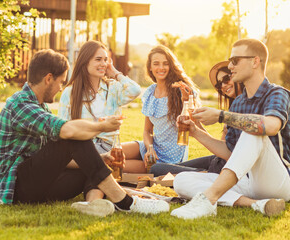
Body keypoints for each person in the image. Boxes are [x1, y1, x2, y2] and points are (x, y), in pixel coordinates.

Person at [0, 49, 169, 217]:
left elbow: (54, 153)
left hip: (36, 186)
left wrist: (99, 157)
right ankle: (125, 202)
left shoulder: (41, 106)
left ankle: (93, 203)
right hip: (14, 187)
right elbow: (67, 132)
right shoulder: (21, 105)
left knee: (87, 163)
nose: (61, 87)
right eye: (60, 82)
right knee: (74, 136)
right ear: (48, 79)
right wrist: (102, 127)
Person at [170, 38, 290, 219]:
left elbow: (271, 126)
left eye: (235, 61)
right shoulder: (239, 103)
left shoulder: (277, 93)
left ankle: (209, 199)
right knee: (181, 181)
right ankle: (256, 204)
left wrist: (221, 116)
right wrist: (196, 132)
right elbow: (229, 153)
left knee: (255, 130)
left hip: (278, 182)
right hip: (248, 181)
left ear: (255, 61)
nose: (231, 66)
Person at [150, 61, 245, 176]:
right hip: (218, 160)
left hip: (224, 168)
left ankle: (204, 175)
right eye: (219, 84)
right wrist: (195, 126)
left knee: (157, 169)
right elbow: (220, 148)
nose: (223, 86)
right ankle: (201, 173)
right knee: (158, 169)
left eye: (226, 79)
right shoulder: (234, 106)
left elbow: (232, 155)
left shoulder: (247, 107)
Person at [121, 45, 200, 173]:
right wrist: (150, 147)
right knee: (114, 154)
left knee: (117, 165)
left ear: (171, 66)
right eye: (156, 64)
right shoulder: (150, 92)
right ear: (150, 68)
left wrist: (186, 100)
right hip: (152, 147)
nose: (161, 68)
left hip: (170, 158)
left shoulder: (181, 90)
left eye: (165, 64)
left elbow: (194, 124)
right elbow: (147, 131)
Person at [58, 40, 141, 154]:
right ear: (85, 61)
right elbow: (63, 129)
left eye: (105, 60)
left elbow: (135, 90)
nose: (103, 64)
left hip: (109, 147)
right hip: (82, 147)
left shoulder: (113, 88)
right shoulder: (70, 92)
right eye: (98, 59)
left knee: (143, 154)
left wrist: (116, 73)